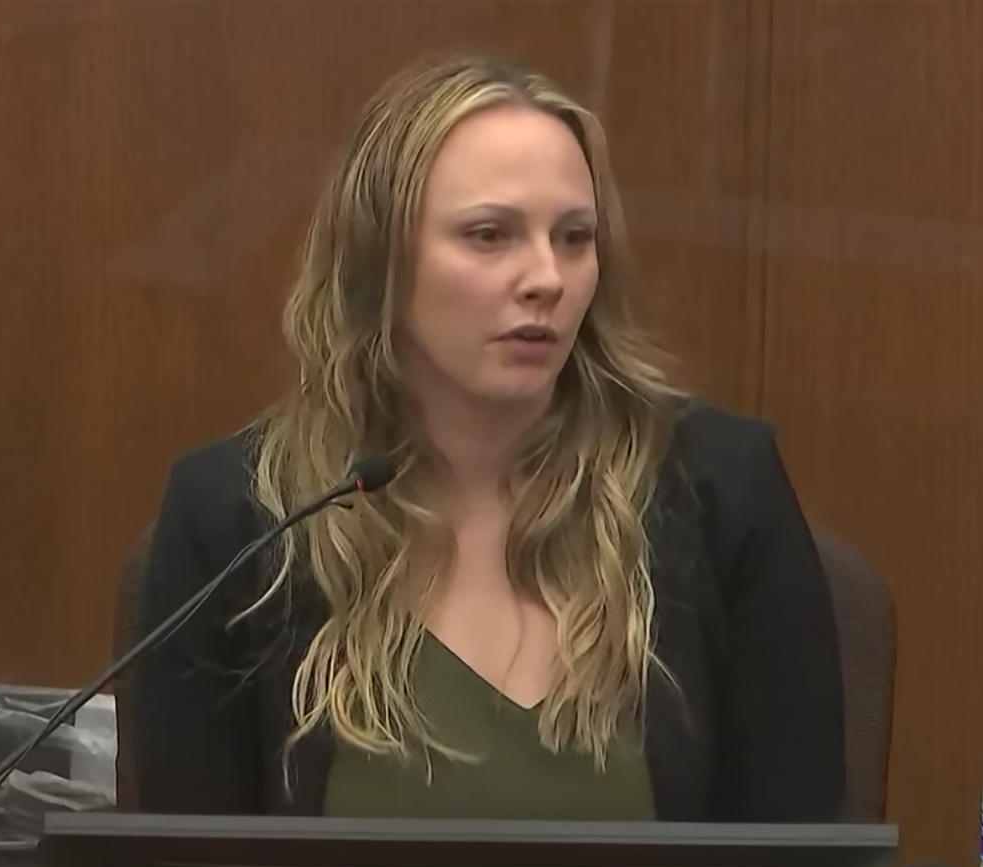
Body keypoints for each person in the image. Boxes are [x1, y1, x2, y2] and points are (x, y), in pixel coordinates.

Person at [130, 53, 846, 823]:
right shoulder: (239, 519)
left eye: (574, 237)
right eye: (489, 235)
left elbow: (803, 863)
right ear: (380, 259)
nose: (547, 277)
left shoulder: (721, 493)